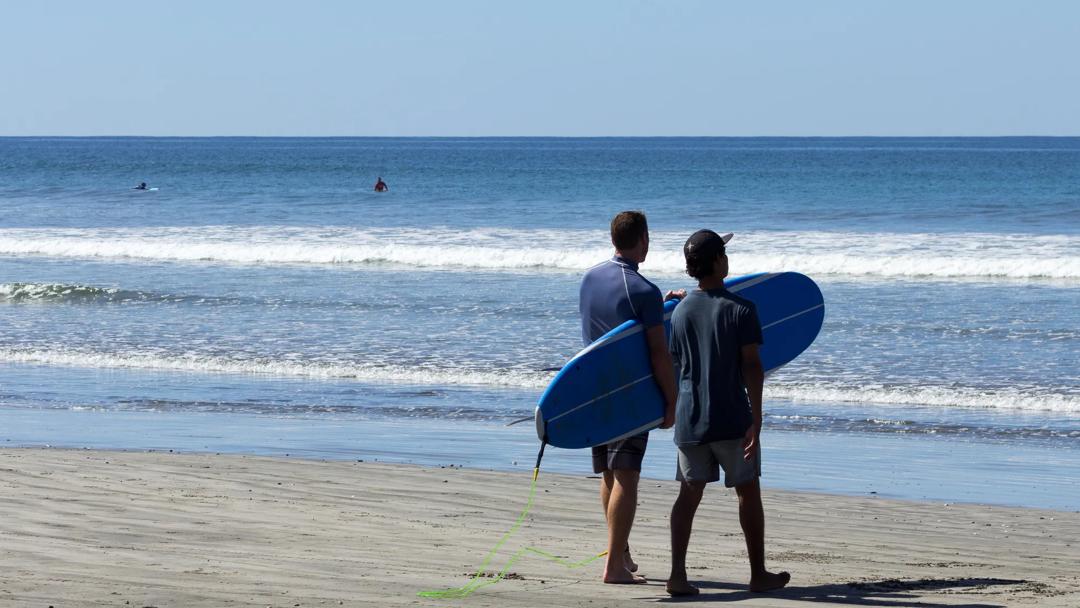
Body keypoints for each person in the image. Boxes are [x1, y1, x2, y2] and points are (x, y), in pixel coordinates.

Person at [665, 229, 790, 596]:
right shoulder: (741, 309)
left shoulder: (679, 312)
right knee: (748, 492)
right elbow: (752, 366)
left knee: (688, 496)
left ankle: (676, 574)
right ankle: (758, 574)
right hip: (733, 418)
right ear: (719, 260)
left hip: (691, 420)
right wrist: (757, 418)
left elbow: (678, 364)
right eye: (724, 252)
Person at [579, 210, 683, 584]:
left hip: (591, 390)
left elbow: (613, 326)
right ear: (643, 239)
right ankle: (613, 567)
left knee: (609, 472)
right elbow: (658, 353)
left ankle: (618, 554)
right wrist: (671, 401)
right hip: (627, 393)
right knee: (627, 475)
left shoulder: (590, 278)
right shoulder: (643, 290)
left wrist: (662, 305)